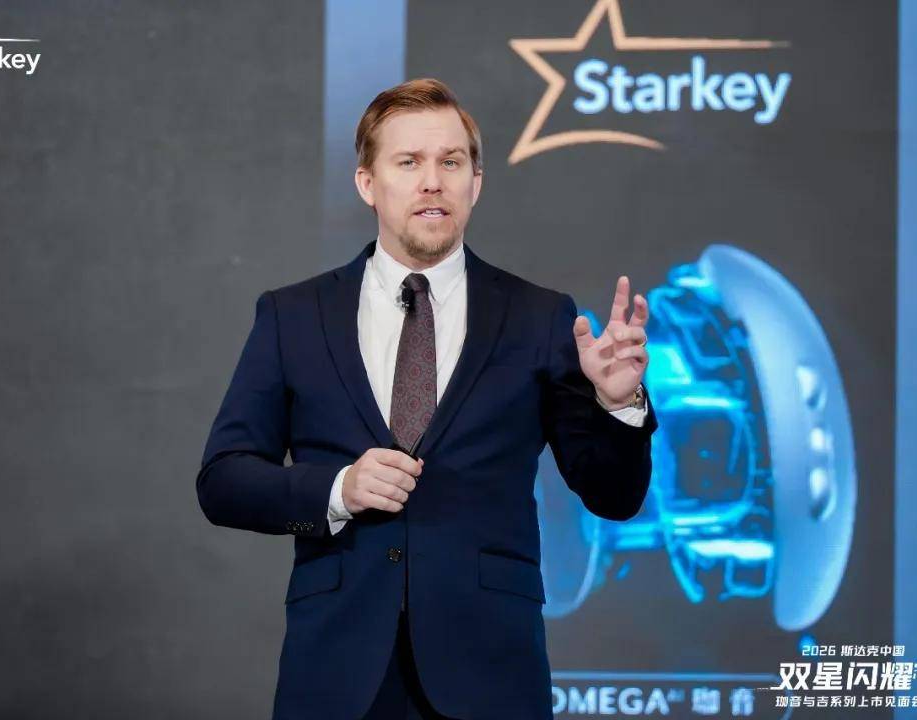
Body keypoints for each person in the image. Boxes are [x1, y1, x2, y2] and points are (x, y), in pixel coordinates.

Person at [196, 77, 657, 720]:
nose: (432, 182)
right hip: (337, 672)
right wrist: (339, 489)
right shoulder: (293, 315)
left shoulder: (539, 317)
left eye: (451, 162)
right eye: (408, 162)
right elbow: (223, 481)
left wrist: (618, 404)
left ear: (476, 182)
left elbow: (614, 496)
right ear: (368, 183)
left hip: (491, 672)